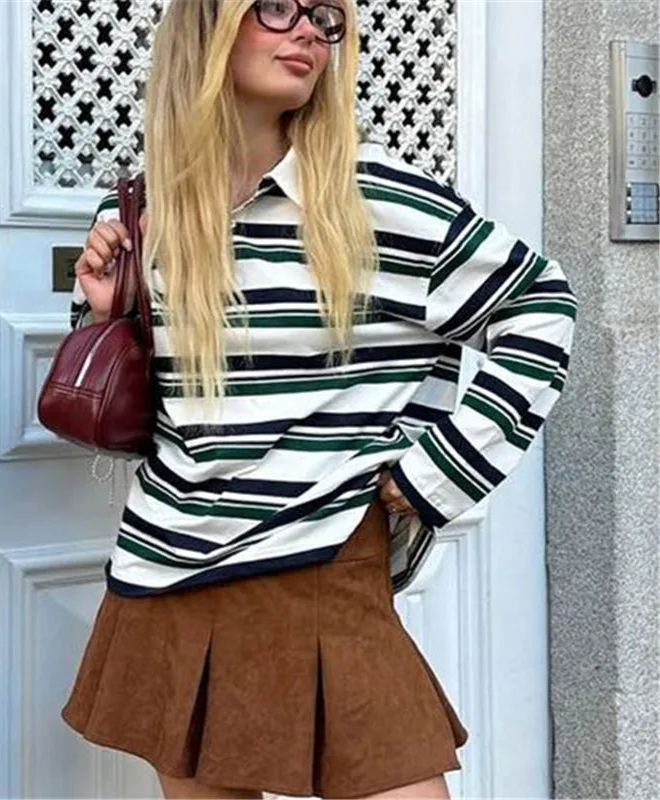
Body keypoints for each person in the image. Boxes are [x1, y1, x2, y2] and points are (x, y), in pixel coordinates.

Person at [61, 1, 578, 798]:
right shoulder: (141, 210)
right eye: (277, 8)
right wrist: (103, 310)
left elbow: (540, 306)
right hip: (170, 567)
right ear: (208, 23)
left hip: (323, 559)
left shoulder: (375, 199)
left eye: (327, 19)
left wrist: (437, 472)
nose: (308, 30)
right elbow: (138, 404)